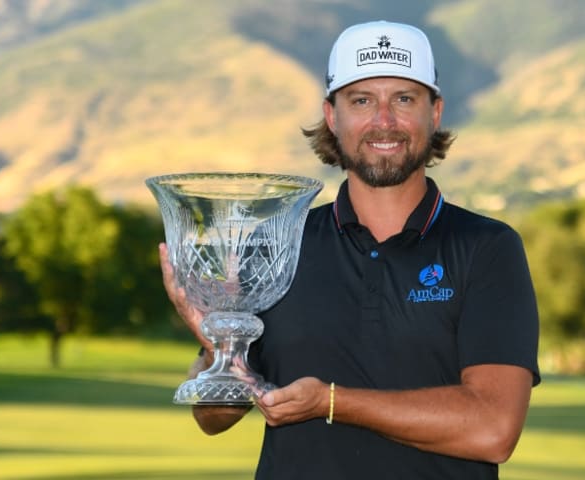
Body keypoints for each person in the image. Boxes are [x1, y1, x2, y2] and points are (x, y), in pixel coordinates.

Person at [159, 20, 540, 479]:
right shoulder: (280, 246)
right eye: (362, 100)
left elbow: (493, 429)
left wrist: (330, 401)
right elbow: (213, 418)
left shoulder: (487, 248)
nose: (384, 121)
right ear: (332, 116)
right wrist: (217, 349)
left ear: (434, 112)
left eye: (404, 99)